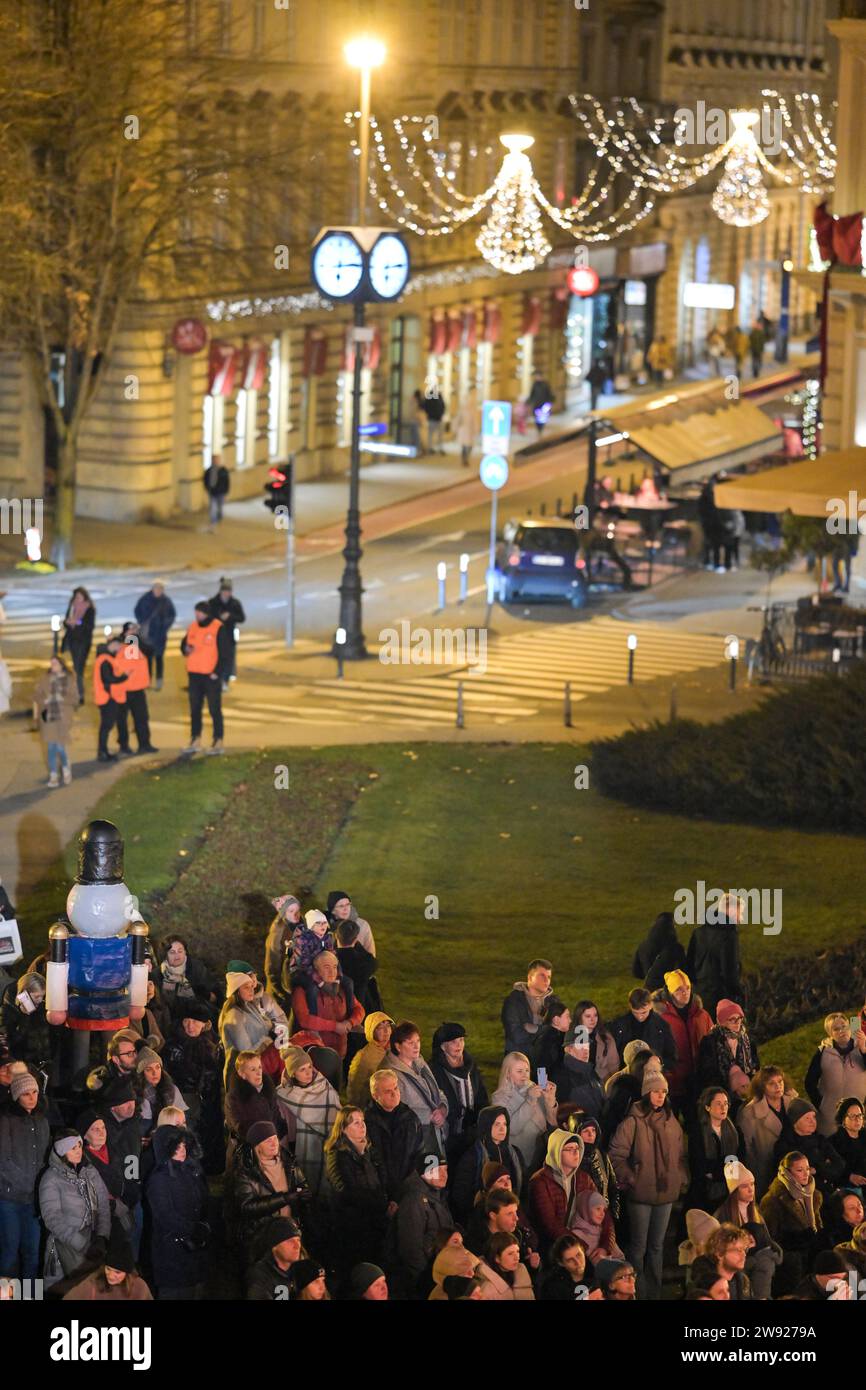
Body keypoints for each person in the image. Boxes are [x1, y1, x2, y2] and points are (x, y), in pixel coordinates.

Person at [609, 1070, 688, 1299]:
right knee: (639, 1247)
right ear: (646, 1093)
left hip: (666, 1194)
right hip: (641, 1194)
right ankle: (637, 1291)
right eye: (655, 1091)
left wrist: (680, 1175)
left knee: (657, 1247)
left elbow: (681, 1154)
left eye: (663, 1091)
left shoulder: (672, 1122)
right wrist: (632, 1178)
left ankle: (654, 1292)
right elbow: (616, 1155)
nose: (660, 1096)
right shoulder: (633, 1122)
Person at [225, 1120, 311, 1266]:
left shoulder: (289, 1162)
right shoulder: (246, 1171)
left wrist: (304, 1196)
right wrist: (284, 1198)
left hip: (291, 1232)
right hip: (262, 1237)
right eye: (267, 1140)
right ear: (257, 1146)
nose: (274, 1143)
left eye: (275, 1138)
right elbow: (247, 1207)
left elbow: (301, 1184)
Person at [40, 1130, 111, 1287]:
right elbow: (52, 1219)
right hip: (63, 1249)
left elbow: (103, 1206)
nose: (79, 1150)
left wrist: (101, 1237)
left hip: (92, 1243)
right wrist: (82, 1244)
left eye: (80, 1145)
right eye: (73, 1148)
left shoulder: (90, 1171)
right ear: (63, 1152)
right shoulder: (51, 1179)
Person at [145, 1124, 209, 1299]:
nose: (182, 1150)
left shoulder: (190, 1170)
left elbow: (201, 1202)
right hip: (171, 1256)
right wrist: (194, 1230)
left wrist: (203, 1226)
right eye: (176, 1147)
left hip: (193, 1252)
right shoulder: (158, 1179)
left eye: (183, 1145)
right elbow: (165, 1217)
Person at [324, 1106, 389, 1274]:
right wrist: (380, 1202)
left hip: (376, 1220)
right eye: (356, 1123)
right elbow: (345, 1191)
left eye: (363, 1121)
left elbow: (382, 1177)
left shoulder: (369, 1150)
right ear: (343, 1129)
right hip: (353, 1225)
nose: (362, 1126)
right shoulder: (337, 1155)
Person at [0, 1071, 49, 1279]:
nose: (31, 1097)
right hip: (10, 1199)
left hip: (33, 1201)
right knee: (10, 1255)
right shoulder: (5, 1121)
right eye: (26, 1093)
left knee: (33, 1255)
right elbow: (3, 1160)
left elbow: (46, 1157)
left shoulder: (42, 1121)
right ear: (16, 1096)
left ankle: (30, 1296)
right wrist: (29, 1183)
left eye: (35, 1092)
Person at [161, 1000, 222, 1165]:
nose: (190, 1026)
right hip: (182, 1097)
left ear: (204, 1024)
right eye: (187, 1021)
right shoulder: (173, 1046)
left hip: (204, 1099)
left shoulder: (210, 1044)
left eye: (195, 1022)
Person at [275, 1045, 340, 1196]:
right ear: (292, 1073)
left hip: (329, 1140)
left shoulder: (323, 1085)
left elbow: (336, 1111)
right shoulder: (283, 1095)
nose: (308, 1073)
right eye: (302, 1069)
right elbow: (284, 1129)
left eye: (309, 1067)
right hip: (299, 1147)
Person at [713, 1160, 783, 1299]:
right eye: (745, 1186)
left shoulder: (756, 1212)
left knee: (766, 1262)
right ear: (734, 1191)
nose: (751, 1189)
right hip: (737, 1262)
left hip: (757, 1260)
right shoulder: (722, 1215)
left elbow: (766, 1240)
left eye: (752, 1184)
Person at [388, 1151, 453, 1299]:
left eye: (446, 1170)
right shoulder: (414, 1201)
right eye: (438, 1170)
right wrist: (428, 1281)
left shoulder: (436, 1195)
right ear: (425, 1172)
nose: (444, 1175)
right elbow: (411, 1249)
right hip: (421, 1281)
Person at [760, 1151, 824, 1296]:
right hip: (791, 1266)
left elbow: (818, 1226)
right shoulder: (773, 1201)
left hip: (810, 1259)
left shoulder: (813, 1194)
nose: (805, 1174)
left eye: (807, 1169)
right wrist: (797, 1241)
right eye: (799, 1170)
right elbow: (770, 1238)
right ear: (787, 1172)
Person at [532, 997, 604, 1119]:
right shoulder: (546, 1041)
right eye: (567, 1016)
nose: (570, 1020)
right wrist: (544, 1090)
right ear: (556, 1020)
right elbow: (541, 1068)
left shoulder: (559, 1036)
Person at [428, 1021, 489, 1162]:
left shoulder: (471, 1067)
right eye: (453, 1042)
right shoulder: (435, 1071)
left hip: (473, 1134)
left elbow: (481, 1096)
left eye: (461, 1040)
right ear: (443, 1046)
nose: (459, 1045)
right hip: (449, 1137)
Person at [290, 950, 364, 1064]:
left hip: (340, 1053)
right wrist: (335, 1026)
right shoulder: (303, 991)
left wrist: (350, 1022)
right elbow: (304, 1020)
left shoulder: (341, 988)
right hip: (313, 1057)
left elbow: (359, 1009)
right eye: (326, 967)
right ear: (316, 970)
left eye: (334, 967)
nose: (332, 972)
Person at [451, 1105, 522, 1222]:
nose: (502, 1129)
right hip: (483, 1216)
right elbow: (461, 1194)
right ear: (486, 1126)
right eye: (497, 1124)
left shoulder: (514, 1153)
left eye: (505, 1124)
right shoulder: (472, 1156)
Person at [737, 1066, 799, 1200]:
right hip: (766, 1170)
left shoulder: (793, 1101)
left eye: (780, 1081)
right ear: (762, 1087)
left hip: (794, 1167)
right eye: (771, 1083)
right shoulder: (749, 1114)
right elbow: (747, 1150)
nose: (778, 1086)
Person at [388, 1020, 449, 1156]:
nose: (417, 1046)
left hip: (433, 1134)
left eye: (418, 1041)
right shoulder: (391, 1074)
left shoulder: (420, 1063)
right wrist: (431, 1117)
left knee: (439, 1175)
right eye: (410, 1043)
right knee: (428, 1175)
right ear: (398, 1046)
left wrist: (443, 1109)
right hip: (416, 1140)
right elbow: (398, 1110)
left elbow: (437, 1092)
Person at [219, 965, 288, 1084]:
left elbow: (270, 1024)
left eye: (251, 986)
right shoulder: (234, 1017)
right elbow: (246, 1053)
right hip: (245, 1075)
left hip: (260, 1066)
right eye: (246, 987)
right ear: (236, 991)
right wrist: (268, 1042)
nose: (252, 990)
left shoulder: (250, 1006)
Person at [656, 970, 712, 1115]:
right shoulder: (659, 1018)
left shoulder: (701, 1015)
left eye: (687, 988)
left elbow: (712, 1043)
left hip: (697, 1081)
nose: (685, 992)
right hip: (672, 1083)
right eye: (679, 989)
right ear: (670, 991)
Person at [527, 1130, 593, 1252]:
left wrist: (606, 1243)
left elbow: (602, 1209)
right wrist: (580, 1245)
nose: (575, 1152)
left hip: (583, 1234)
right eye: (569, 1149)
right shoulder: (540, 1182)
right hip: (556, 1244)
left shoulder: (584, 1178)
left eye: (577, 1148)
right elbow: (550, 1224)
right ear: (556, 1153)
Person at [491, 1051, 557, 1174]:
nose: (525, 1075)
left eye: (527, 1070)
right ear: (508, 1073)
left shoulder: (533, 1088)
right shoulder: (499, 1098)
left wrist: (550, 1101)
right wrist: (530, 1100)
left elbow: (552, 1123)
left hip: (542, 1154)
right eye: (519, 1071)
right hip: (520, 1158)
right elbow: (512, 1128)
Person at [364, 1068, 423, 1203]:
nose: (394, 1094)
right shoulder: (366, 1122)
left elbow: (418, 1153)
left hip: (407, 1190)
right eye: (387, 1091)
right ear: (375, 1095)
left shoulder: (410, 1118)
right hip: (379, 1194)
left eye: (395, 1088)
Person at [181, 600, 232, 753]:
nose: (198, 615)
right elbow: (184, 646)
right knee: (195, 709)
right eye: (196, 612)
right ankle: (195, 739)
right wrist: (186, 649)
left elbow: (225, 653)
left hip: (210, 676)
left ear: (207, 613)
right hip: (194, 675)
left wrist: (217, 672)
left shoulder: (217, 628)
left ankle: (218, 740)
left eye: (200, 612)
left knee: (214, 709)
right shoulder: (193, 627)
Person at [805, 1013, 866, 1136]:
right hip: (829, 1118)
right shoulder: (823, 1052)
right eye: (836, 1029)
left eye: (844, 1026)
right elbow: (809, 1082)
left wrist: (864, 1050)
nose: (841, 1031)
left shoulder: (861, 1046)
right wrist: (822, 1105)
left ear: (850, 1027)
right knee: (832, 1149)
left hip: (856, 1115)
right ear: (830, 1033)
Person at [62, 1218, 152, 1300]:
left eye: (117, 1272)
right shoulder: (91, 1283)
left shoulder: (139, 1287)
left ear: (128, 1273)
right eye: (108, 1269)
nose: (111, 1276)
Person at [772, 1098, 846, 1195]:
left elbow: (840, 1165)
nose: (812, 1121)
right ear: (795, 1122)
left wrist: (817, 1170)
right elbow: (790, 1175)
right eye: (807, 1118)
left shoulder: (820, 1140)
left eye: (814, 1117)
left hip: (826, 1191)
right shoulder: (784, 1145)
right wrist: (825, 1164)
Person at [687, 1085, 743, 1212]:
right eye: (718, 1104)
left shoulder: (735, 1132)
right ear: (707, 1107)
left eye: (725, 1103)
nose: (723, 1107)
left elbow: (738, 1159)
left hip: (730, 1189)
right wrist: (723, 1168)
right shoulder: (698, 1133)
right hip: (704, 1193)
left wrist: (718, 1170)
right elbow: (699, 1165)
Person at [685, 893, 743, 1017]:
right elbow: (729, 971)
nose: (740, 918)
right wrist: (738, 993)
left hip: (698, 995)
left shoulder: (698, 932)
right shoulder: (728, 936)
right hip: (719, 997)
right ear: (730, 910)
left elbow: (688, 964)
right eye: (739, 913)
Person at [224, 1050, 290, 1153]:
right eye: (253, 1069)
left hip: (273, 1147)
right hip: (250, 1152)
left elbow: (276, 1117)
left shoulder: (268, 1091)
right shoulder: (234, 1098)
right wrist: (264, 1142)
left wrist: (281, 1138)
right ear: (242, 1074)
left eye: (260, 1067)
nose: (259, 1073)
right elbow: (240, 1128)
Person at [697, 999, 758, 1103]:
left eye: (739, 1018)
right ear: (722, 1022)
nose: (737, 1022)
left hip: (747, 1091)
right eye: (732, 1019)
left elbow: (755, 1064)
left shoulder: (746, 1039)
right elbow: (708, 1072)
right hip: (722, 1094)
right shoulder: (710, 1041)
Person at [32, 656, 78, 787]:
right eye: (51, 663)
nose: (53, 665)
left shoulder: (69, 679)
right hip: (48, 718)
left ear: (62, 665)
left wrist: (61, 698)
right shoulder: (44, 679)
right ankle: (53, 775)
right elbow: (36, 696)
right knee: (51, 747)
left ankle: (65, 767)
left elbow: (75, 699)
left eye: (55, 663)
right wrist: (44, 701)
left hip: (63, 718)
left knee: (60, 746)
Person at [609, 987, 676, 1073]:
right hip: (627, 1074)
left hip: (652, 1075)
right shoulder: (619, 1025)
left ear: (651, 1005)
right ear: (630, 1006)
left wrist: (658, 1066)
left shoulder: (661, 1026)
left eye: (644, 1012)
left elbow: (671, 1056)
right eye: (635, 1012)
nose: (640, 1016)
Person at [115, 622, 158, 754]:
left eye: (135, 630)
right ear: (125, 632)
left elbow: (150, 650)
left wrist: (136, 638)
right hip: (124, 688)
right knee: (122, 719)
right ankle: (124, 746)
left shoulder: (137, 644)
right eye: (131, 630)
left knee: (141, 718)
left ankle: (144, 744)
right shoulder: (122, 645)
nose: (133, 632)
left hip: (138, 689)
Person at [0, 972, 51, 1075]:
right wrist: (24, 1017)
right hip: (23, 1067)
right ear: (24, 994)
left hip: (44, 1064)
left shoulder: (42, 1007)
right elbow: (10, 1042)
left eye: (42, 996)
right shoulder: (8, 1011)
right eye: (37, 996)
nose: (40, 1000)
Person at [501, 959, 553, 1058]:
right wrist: (544, 1033)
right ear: (530, 977)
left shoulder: (553, 1002)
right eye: (542, 975)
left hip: (544, 1062)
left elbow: (560, 1032)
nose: (546, 980)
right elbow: (516, 1036)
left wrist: (535, 1029)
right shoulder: (513, 1002)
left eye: (549, 977)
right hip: (519, 1061)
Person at [159, 936, 219, 1021]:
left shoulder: (197, 968)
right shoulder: (158, 974)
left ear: (185, 952)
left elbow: (216, 996)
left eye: (180, 951)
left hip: (200, 1020)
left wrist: (201, 993)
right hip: (171, 1022)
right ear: (165, 954)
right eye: (172, 952)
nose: (177, 955)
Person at [92, 634, 130, 762]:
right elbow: (108, 679)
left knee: (106, 725)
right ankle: (102, 752)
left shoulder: (103, 658)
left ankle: (103, 751)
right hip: (107, 697)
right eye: (119, 647)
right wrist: (124, 676)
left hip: (105, 696)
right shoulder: (105, 659)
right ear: (114, 644)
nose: (120, 650)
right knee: (106, 725)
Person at [245, 1217, 302, 1300]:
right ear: (274, 1246)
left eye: (298, 1240)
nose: (297, 1246)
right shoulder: (260, 1274)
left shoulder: (302, 1270)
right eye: (290, 1241)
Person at [134, 579, 176, 690]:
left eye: (160, 589)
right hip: (146, 635)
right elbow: (137, 610)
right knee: (147, 658)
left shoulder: (166, 602)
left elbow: (171, 616)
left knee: (159, 658)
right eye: (156, 588)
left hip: (160, 635)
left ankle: (158, 681)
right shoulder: (145, 599)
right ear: (153, 589)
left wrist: (164, 626)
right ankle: (147, 680)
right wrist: (141, 621)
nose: (158, 591)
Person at [347, 1011, 394, 1107]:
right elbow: (356, 1091)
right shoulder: (363, 1058)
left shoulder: (393, 1048)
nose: (386, 1031)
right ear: (371, 1030)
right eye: (380, 1027)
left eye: (388, 1025)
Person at [263, 894, 302, 1007]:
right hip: (282, 996)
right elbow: (271, 970)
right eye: (291, 911)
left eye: (297, 910)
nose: (296, 914)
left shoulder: (302, 924)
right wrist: (283, 994)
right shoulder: (277, 935)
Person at [207, 577, 245, 689]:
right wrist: (219, 617)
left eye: (228, 591)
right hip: (216, 635)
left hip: (229, 634)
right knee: (216, 657)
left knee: (229, 657)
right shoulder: (213, 603)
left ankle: (225, 680)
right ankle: (216, 678)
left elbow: (242, 618)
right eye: (225, 591)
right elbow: (209, 617)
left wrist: (230, 616)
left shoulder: (235, 603)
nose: (226, 593)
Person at [570, 1188, 624, 1266]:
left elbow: (621, 1257)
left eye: (603, 1210)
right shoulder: (577, 1235)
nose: (602, 1214)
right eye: (598, 1209)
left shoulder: (601, 1230)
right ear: (586, 1209)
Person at [60, 585, 95, 704]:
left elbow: (89, 626)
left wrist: (78, 622)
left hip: (83, 642)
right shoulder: (72, 606)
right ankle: (76, 693)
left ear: (85, 597)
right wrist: (67, 622)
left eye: (80, 597)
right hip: (72, 640)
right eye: (76, 597)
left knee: (79, 668)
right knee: (75, 667)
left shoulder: (89, 609)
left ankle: (80, 694)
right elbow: (65, 621)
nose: (78, 599)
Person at [572, 999, 620, 1086]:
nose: (592, 1019)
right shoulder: (571, 1038)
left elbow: (613, 1065)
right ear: (579, 1018)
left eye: (595, 1015)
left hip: (602, 1083)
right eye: (588, 1016)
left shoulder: (605, 1038)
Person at [479, 1231, 535, 1299]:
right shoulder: (487, 1289)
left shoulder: (522, 1275)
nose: (516, 1257)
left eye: (517, 1251)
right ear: (497, 1258)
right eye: (510, 1254)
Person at [829, 1097, 866, 1189]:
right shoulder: (833, 1142)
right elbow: (831, 1170)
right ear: (843, 1119)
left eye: (860, 1115)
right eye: (852, 1116)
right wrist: (849, 1177)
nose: (857, 1119)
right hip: (846, 1187)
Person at [453, 388, 480, 466]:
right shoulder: (462, 410)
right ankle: (464, 459)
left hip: (469, 430)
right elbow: (458, 419)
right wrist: (455, 428)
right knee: (464, 446)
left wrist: (476, 429)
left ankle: (466, 458)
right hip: (463, 430)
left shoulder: (472, 410)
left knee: (469, 446)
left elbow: (475, 421)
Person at [203, 454, 229, 528]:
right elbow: (205, 480)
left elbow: (227, 481)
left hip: (221, 492)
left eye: (217, 459)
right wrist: (207, 488)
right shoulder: (208, 470)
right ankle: (213, 521)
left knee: (220, 507)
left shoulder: (223, 470)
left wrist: (226, 491)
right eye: (214, 460)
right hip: (212, 492)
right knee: (213, 507)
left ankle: (219, 517)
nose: (215, 461)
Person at [526, 370, 554, 436]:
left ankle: (541, 429)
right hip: (537, 404)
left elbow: (549, 393)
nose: (537, 377)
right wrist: (529, 401)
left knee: (543, 418)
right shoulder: (534, 384)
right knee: (537, 417)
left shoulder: (545, 384)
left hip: (544, 404)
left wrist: (549, 402)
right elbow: (532, 394)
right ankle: (539, 429)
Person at [420, 384, 447, 454]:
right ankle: (434, 448)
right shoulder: (435, 397)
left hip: (434, 418)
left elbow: (443, 406)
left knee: (432, 434)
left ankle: (433, 448)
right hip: (435, 418)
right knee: (435, 435)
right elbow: (443, 406)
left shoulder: (433, 397)